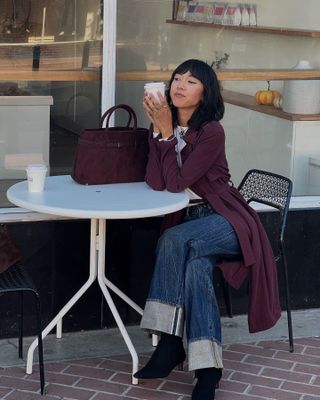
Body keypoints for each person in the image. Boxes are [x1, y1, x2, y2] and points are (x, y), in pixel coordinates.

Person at [134, 59, 281, 400]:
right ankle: (208, 370)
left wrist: (168, 134)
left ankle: (170, 343)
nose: (179, 85)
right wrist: (159, 133)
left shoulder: (211, 131)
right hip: (190, 227)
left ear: (205, 93)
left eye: (192, 81)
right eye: (176, 79)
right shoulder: (163, 127)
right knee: (196, 270)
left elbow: (178, 182)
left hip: (226, 219)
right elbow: (157, 182)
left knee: (171, 239)